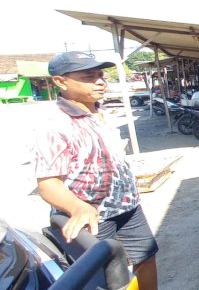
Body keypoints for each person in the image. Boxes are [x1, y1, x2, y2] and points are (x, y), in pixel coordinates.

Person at [30, 51, 159, 289]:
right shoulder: (54, 124)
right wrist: (78, 207)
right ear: (60, 81)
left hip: (127, 207)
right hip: (92, 215)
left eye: (101, 75)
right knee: (104, 276)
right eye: (89, 76)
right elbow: (48, 183)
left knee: (145, 256)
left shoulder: (100, 114)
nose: (100, 81)